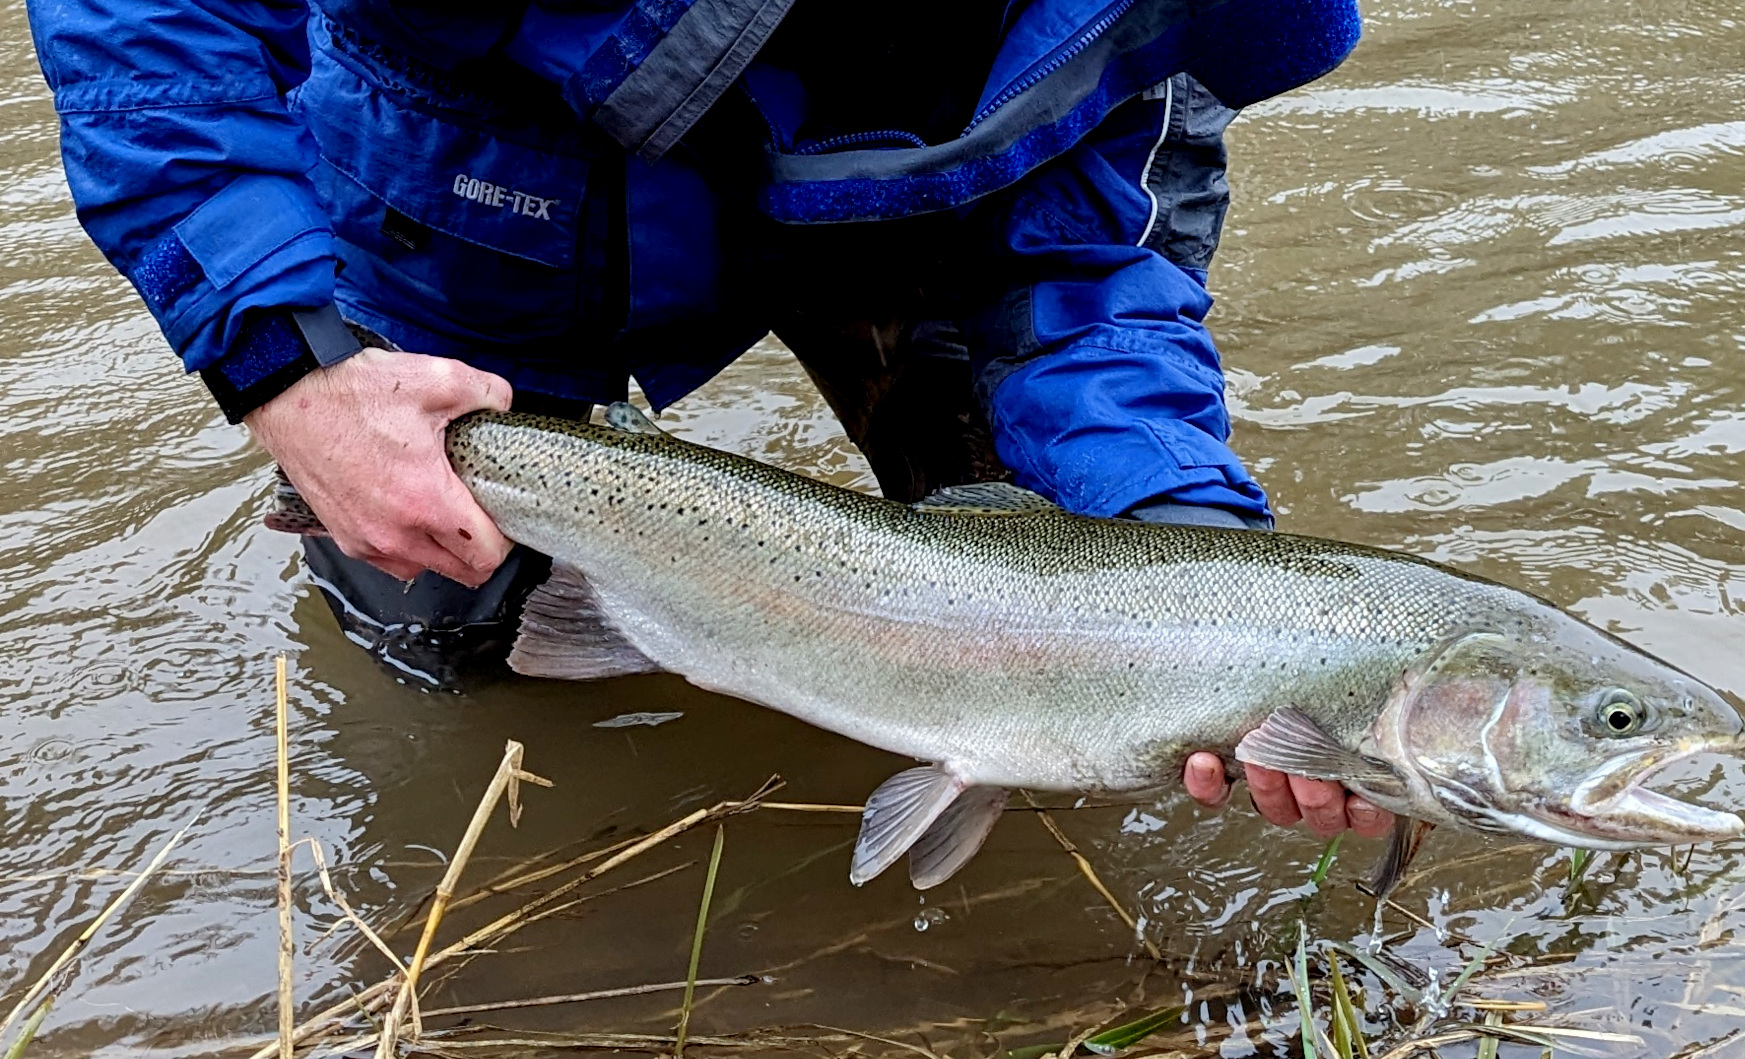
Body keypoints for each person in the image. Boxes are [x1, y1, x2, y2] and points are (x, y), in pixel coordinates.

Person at [25, 0, 1391, 839]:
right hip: (499, 198)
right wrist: (299, 371)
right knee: (432, 632)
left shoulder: (1170, 18)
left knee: (1066, 603)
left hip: (925, 228)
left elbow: (1092, 277)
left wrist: (1193, 563)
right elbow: (150, 19)